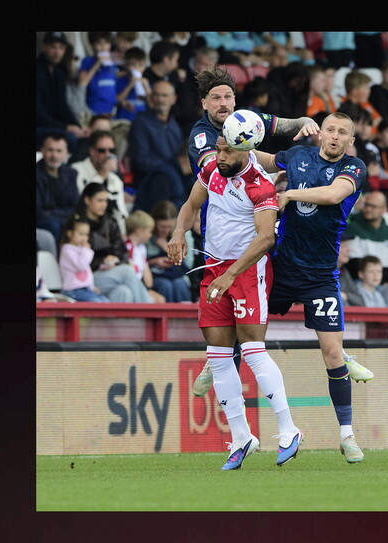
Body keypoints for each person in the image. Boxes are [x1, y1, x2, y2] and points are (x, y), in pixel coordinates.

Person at [166, 135, 303, 469]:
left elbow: (266, 237)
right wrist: (177, 233)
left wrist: (231, 275)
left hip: (246, 271)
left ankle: (288, 430)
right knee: (217, 354)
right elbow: (190, 205)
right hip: (213, 267)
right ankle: (242, 437)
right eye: (219, 147)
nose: (220, 155)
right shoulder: (212, 168)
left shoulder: (260, 186)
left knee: (253, 349)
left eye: (228, 150)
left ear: (247, 151)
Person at [186, 66, 323, 397]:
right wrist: (279, 160)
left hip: (256, 227)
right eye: (216, 97)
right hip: (222, 238)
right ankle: (222, 356)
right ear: (204, 103)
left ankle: (336, 348)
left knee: (284, 279)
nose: (224, 103)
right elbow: (227, 162)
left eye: (228, 96)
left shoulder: (244, 121)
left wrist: (303, 122)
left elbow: (280, 124)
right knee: (230, 316)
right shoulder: (202, 136)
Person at [252, 111, 376, 463]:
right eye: (330, 130)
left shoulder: (354, 168)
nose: (335, 136)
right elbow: (262, 158)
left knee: (332, 354)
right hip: (282, 267)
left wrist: (289, 193)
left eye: (343, 133)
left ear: (350, 141)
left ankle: (347, 436)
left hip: (321, 275)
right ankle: (214, 360)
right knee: (247, 332)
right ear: (320, 134)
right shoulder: (297, 156)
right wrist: (235, 145)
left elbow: (335, 195)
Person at [75, 183, 155, 303]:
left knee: (123, 291)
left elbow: (123, 253)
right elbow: (74, 257)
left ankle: (120, 322)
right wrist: (102, 261)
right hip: (87, 277)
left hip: (112, 273)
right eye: (99, 200)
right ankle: (151, 313)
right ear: (87, 200)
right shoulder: (78, 224)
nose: (104, 205)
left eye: (105, 201)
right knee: (127, 271)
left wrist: (114, 261)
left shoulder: (110, 222)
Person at [130, 80, 192, 214]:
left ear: (173, 99)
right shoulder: (141, 122)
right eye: (156, 95)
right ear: (151, 98)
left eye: (164, 96)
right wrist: (169, 168)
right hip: (152, 185)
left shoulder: (174, 125)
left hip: (175, 181)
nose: (160, 99)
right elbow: (140, 161)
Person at [36, 32, 90, 153]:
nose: (57, 52)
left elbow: (62, 107)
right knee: (70, 138)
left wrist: (78, 127)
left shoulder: (59, 72)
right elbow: (38, 113)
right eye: (53, 47)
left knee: (87, 138)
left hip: (54, 125)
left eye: (61, 48)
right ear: (44, 47)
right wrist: (67, 127)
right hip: (41, 126)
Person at [70, 130, 129, 235]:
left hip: (109, 229)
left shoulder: (115, 180)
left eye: (111, 150)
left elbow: (121, 212)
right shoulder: (76, 170)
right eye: (102, 150)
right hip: (84, 226)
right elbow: (81, 202)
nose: (108, 155)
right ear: (92, 151)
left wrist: (123, 236)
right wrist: (102, 174)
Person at [344, 190, 388, 281]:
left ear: (384, 209)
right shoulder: (352, 228)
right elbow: (354, 264)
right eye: (366, 205)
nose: (368, 209)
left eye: (373, 206)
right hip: (359, 282)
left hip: (384, 285)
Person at [36, 132, 80, 245]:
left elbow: (75, 206)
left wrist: (51, 212)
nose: (54, 155)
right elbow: (38, 212)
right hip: (42, 222)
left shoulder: (71, 173)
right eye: (50, 150)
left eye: (59, 151)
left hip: (61, 219)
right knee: (55, 225)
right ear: (42, 150)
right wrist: (63, 216)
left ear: (66, 153)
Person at [146, 200, 193, 303]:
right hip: (155, 276)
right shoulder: (148, 235)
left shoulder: (184, 234)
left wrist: (167, 248)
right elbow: (140, 263)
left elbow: (188, 264)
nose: (166, 230)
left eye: (169, 227)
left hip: (179, 275)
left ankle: (183, 319)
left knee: (179, 284)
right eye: (162, 226)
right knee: (165, 285)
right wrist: (155, 261)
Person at [58, 216, 111, 302]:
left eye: (86, 234)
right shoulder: (67, 250)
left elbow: (87, 271)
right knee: (98, 303)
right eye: (81, 234)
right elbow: (81, 266)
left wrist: (92, 287)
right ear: (70, 233)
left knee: (106, 302)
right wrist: (86, 250)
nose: (84, 238)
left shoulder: (82, 249)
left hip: (85, 289)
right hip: (73, 291)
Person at [124, 210, 167, 303]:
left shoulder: (142, 248)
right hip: (131, 286)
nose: (151, 235)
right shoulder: (127, 246)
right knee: (153, 301)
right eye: (149, 232)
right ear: (139, 231)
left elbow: (145, 269)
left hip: (140, 285)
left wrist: (149, 289)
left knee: (161, 299)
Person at [77, 32, 119, 117]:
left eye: (106, 43)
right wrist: (97, 64)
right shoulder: (87, 62)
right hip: (93, 110)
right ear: (92, 45)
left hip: (111, 111)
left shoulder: (114, 62)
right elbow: (82, 83)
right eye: (99, 43)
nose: (103, 47)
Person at [337, 70, 382, 139]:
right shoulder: (342, 106)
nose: (369, 91)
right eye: (365, 88)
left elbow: (379, 119)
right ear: (354, 91)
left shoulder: (364, 104)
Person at [114, 46, 151, 123]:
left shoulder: (146, 82)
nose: (137, 68)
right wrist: (130, 84)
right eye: (133, 65)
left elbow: (152, 104)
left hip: (142, 122)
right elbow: (116, 101)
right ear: (126, 65)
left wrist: (147, 88)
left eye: (140, 65)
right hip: (123, 121)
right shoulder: (119, 80)